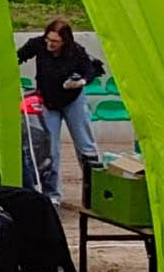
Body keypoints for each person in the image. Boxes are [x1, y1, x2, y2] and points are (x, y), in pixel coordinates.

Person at [16, 18, 102, 206]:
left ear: (65, 41)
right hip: (49, 102)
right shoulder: (38, 44)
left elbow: (90, 71)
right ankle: (52, 195)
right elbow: (18, 56)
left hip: (73, 101)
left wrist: (81, 82)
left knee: (86, 146)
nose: (50, 44)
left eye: (55, 41)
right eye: (48, 39)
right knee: (50, 150)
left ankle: (97, 192)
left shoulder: (76, 52)